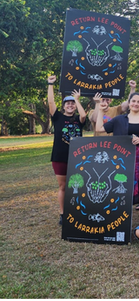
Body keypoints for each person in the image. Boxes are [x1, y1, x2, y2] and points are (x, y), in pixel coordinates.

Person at [105, 92, 139, 225]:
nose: (136, 104)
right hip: (122, 159)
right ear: (129, 102)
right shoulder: (119, 119)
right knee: (122, 187)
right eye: (133, 101)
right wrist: (101, 109)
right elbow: (100, 128)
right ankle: (121, 224)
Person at [46, 76, 85, 226]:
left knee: (77, 185)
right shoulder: (58, 118)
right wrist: (50, 84)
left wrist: (77, 99)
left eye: (72, 104)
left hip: (77, 158)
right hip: (60, 157)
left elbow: (83, 116)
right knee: (63, 186)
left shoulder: (78, 120)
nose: (70, 105)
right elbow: (51, 102)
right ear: (63, 106)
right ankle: (63, 213)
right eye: (67, 103)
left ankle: (77, 210)